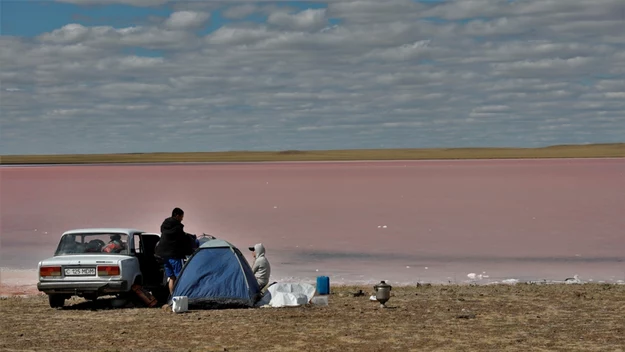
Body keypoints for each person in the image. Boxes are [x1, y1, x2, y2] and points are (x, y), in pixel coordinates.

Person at [155, 207, 195, 294]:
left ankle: (172, 297)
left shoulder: (165, 226)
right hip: (175, 256)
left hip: (165, 256)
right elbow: (183, 240)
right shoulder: (177, 228)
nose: (182, 219)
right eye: (181, 216)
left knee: (171, 277)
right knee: (179, 276)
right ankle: (179, 296)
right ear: (177, 216)